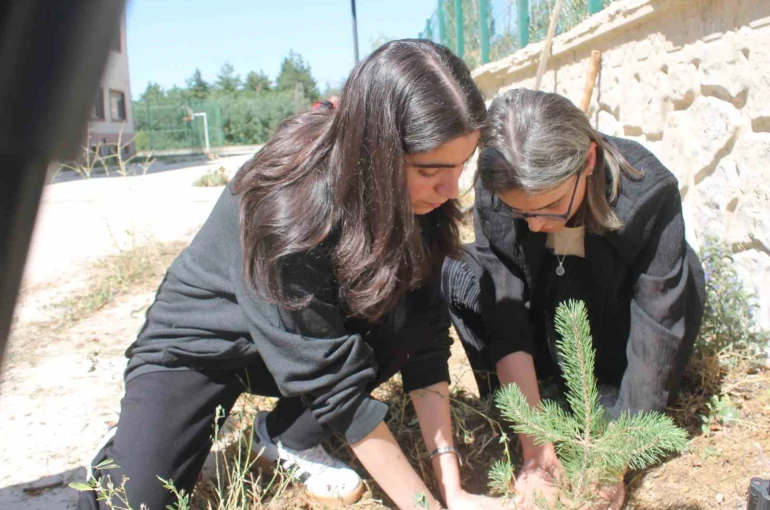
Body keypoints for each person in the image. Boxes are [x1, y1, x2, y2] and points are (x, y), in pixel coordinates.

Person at [78, 40, 506, 510]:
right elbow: (330, 381)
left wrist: (452, 489)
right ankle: (138, 440)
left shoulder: (413, 194)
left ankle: (283, 436)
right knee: (134, 500)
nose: (450, 190)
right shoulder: (289, 202)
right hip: (203, 348)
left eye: (461, 165)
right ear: (376, 151)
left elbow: (423, 340)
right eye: (430, 170)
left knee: (402, 320)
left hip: (297, 337)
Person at [441, 88, 705, 509]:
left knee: (685, 270)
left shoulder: (648, 193)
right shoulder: (497, 189)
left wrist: (612, 463)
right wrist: (536, 449)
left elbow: (658, 321)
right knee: (459, 271)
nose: (539, 225)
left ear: (588, 162)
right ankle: (532, 397)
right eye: (522, 214)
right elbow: (506, 309)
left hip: (614, 326)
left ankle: (610, 400)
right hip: (543, 325)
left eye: (549, 207)